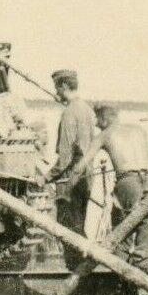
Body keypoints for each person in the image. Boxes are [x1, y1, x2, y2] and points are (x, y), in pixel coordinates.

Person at [61, 105, 148, 269]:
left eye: (97, 120)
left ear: (105, 119)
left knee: (120, 236)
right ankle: (140, 285)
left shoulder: (104, 135)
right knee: (146, 239)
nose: (95, 124)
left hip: (128, 183)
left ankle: (122, 285)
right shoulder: (139, 130)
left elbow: (79, 167)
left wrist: (66, 192)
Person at [46, 69, 98, 266]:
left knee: (68, 231)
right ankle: (84, 268)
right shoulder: (86, 109)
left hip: (69, 181)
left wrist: (45, 177)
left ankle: (79, 277)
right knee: (78, 224)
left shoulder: (69, 112)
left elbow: (65, 157)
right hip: (86, 178)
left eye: (57, 88)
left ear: (64, 86)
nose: (56, 94)